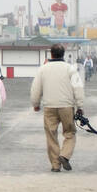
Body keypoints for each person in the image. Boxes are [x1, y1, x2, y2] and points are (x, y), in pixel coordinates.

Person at [30, 43, 84, 172]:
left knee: (51, 135)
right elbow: (78, 88)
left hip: (49, 106)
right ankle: (64, 155)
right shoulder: (70, 69)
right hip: (67, 106)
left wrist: (36, 104)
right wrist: (80, 106)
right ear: (63, 54)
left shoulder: (43, 69)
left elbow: (36, 88)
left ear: (51, 54)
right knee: (70, 133)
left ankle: (55, 164)